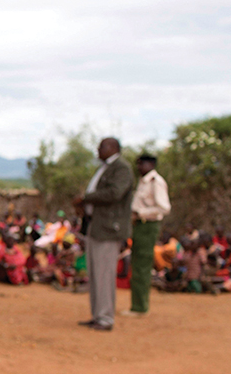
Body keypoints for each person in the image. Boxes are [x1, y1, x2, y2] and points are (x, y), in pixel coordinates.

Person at [72, 137, 134, 331]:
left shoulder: (121, 168)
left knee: (104, 274)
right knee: (95, 273)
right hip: (95, 226)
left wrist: (86, 198)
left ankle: (106, 318)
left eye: (102, 146)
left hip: (108, 229)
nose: (98, 149)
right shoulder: (106, 167)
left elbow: (115, 193)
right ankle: (98, 315)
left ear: (113, 148)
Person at [125, 153, 171, 316]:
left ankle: (140, 307)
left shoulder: (155, 182)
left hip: (148, 225)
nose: (138, 168)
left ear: (150, 165)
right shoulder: (143, 182)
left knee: (142, 266)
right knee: (137, 264)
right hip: (139, 226)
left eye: (141, 164)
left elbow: (164, 208)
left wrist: (141, 213)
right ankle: (137, 304)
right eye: (137, 164)